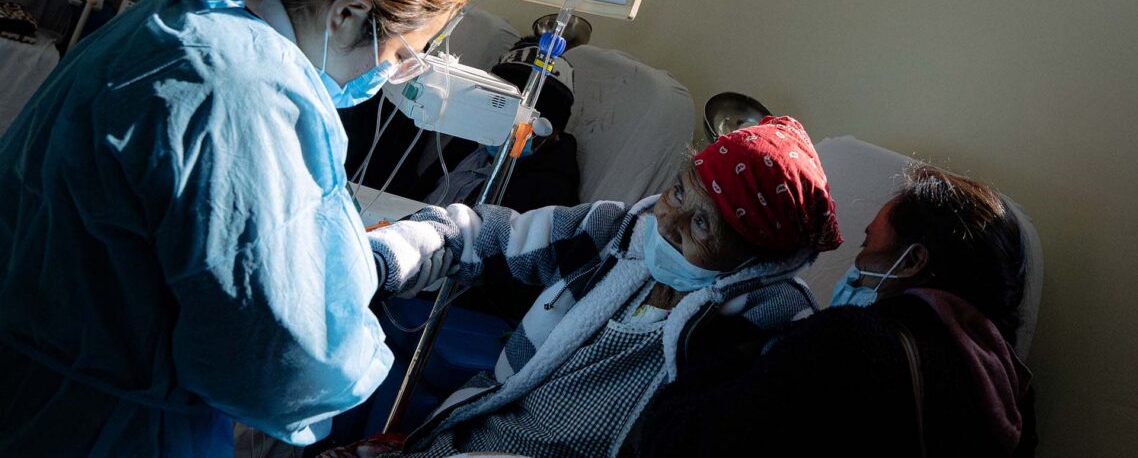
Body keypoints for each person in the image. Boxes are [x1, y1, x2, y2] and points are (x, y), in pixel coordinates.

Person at [0, 0, 473, 457]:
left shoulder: (168, 22)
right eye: (402, 56)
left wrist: (344, 259)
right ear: (350, 14)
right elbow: (282, 363)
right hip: (107, 432)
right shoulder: (250, 88)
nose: (393, 73)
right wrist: (358, 322)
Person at [324, 115, 843, 457]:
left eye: (703, 225)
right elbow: (484, 234)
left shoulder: (768, 331)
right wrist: (380, 258)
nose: (669, 221)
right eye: (679, 190)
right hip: (463, 439)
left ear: (753, 255)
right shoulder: (615, 231)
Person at [633, 165, 1036, 457]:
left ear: (911, 262)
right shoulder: (1013, 399)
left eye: (867, 245)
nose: (855, 262)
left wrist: (722, 342)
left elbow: (674, 441)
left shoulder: (851, 343)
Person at [419, 37, 580, 212]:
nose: (506, 120)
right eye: (497, 103)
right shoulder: (470, 144)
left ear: (550, 130)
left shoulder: (549, 190)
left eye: (521, 113)